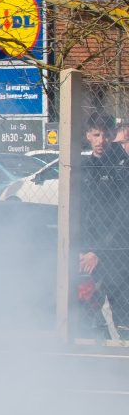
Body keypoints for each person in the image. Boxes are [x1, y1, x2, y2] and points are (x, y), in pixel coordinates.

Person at [78, 113, 129, 330]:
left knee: (121, 316)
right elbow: (78, 212)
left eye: (106, 135)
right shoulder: (83, 168)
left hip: (116, 253)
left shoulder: (122, 168)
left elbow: (123, 216)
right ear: (88, 136)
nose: (101, 141)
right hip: (86, 254)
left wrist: (98, 251)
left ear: (113, 136)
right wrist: (82, 249)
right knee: (87, 316)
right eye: (96, 135)